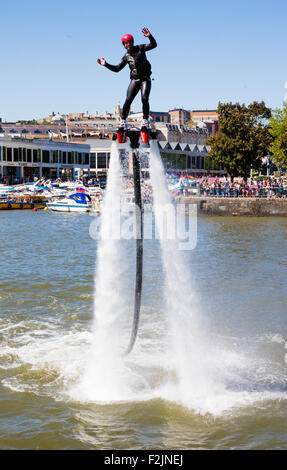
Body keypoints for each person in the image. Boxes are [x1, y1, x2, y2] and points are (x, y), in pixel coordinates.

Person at [97, 27, 157, 130]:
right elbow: (117, 69)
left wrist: (150, 37)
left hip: (145, 79)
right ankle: (123, 121)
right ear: (123, 45)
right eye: (125, 43)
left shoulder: (141, 48)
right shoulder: (126, 57)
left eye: (129, 42)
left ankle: (145, 120)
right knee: (128, 100)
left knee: (144, 98)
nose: (127, 45)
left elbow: (154, 45)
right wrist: (106, 64)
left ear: (132, 42)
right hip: (134, 80)